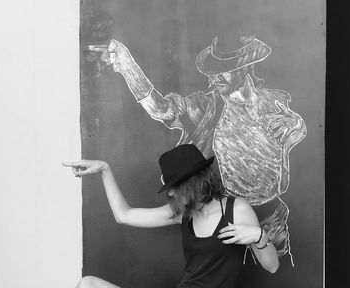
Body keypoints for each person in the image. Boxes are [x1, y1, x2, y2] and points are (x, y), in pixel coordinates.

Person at [88, 36, 307, 260]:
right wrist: (128, 68)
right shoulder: (207, 107)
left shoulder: (273, 102)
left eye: (225, 69)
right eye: (214, 70)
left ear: (244, 68)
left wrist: (297, 125)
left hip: (270, 219)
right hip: (224, 221)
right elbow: (161, 109)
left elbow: (294, 133)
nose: (215, 76)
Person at [63, 144, 279, 288]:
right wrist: (104, 170)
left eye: (175, 187)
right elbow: (124, 215)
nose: (171, 193)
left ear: (193, 184)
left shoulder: (237, 210)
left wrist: (259, 236)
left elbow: (272, 267)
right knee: (88, 284)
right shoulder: (182, 213)